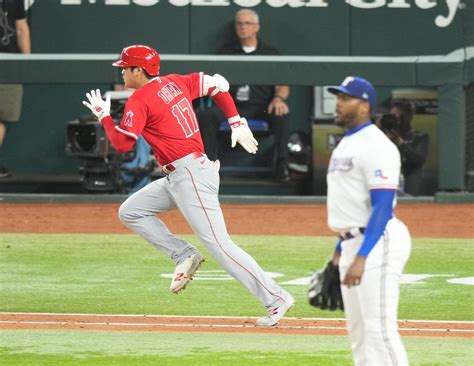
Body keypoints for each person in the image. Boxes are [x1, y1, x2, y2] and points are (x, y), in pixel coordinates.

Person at [82, 45, 294, 327]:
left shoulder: (141, 98)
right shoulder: (176, 81)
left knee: (220, 244)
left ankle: (276, 297)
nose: (121, 72)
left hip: (191, 175)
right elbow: (218, 85)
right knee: (131, 211)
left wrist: (104, 117)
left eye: (125, 67)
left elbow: (122, 144)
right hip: (181, 175)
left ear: (138, 70)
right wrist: (235, 120)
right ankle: (183, 254)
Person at [326, 76, 411, 365]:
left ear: (364, 106)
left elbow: (383, 207)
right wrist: (339, 252)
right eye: (338, 97)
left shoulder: (377, 144)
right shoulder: (346, 143)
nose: (338, 103)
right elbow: (350, 203)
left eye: (345, 98)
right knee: (359, 335)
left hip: (378, 241)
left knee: (380, 332)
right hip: (353, 242)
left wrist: (362, 256)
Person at [196, 9, 291, 183]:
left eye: (247, 23)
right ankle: (209, 165)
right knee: (205, 115)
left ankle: (282, 167)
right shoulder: (226, 53)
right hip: (230, 107)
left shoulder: (270, 53)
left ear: (257, 27)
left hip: (260, 107)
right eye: (239, 23)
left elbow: (283, 85)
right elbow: (214, 83)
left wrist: (278, 98)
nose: (243, 27)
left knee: (282, 115)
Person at [0, 0, 31, 178]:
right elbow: (21, 30)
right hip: (9, 66)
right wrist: (27, 64)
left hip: (8, 65)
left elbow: (21, 30)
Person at [389, 100, 429, 195]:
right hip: (388, 183)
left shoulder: (420, 137)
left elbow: (419, 160)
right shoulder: (384, 137)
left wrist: (401, 143)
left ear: (409, 117)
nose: (396, 120)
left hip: (410, 185)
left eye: (399, 117)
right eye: (393, 117)